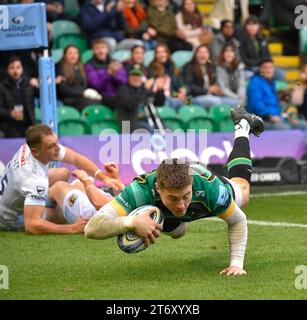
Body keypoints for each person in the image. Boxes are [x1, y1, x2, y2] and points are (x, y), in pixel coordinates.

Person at [85, 106, 265, 276]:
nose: (180, 205)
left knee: (243, 190)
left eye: (185, 196)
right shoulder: (141, 190)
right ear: (157, 188)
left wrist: (236, 264)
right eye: (173, 198)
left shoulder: (209, 187)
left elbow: (238, 220)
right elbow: (91, 228)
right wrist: (130, 222)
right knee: (178, 233)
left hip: (200, 188)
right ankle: (172, 223)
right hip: (166, 215)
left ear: (192, 185)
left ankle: (242, 126)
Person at [0, 124, 124, 234]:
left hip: (12, 194)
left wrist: (103, 177)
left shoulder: (29, 147)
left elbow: (75, 158)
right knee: (58, 211)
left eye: (56, 142)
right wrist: (71, 228)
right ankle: (52, 204)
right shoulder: (35, 180)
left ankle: (48, 199)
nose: (58, 148)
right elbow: (31, 225)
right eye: (51, 146)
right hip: (8, 220)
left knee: (63, 173)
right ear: (36, 152)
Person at [47, 165, 122, 225]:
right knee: (78, 183)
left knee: (58, 187)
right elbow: (125, 200)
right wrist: (116, 179)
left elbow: (99, 203)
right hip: (105, 203)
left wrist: (86, 180)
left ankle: (38, 206)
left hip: (88, 214)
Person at [247, 59, 307, 131]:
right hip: (262, 119)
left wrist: (289, 117)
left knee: (303, 125)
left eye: (271, 67)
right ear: (260, 70)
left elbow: (279, 106)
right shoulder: (254, 83)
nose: (268, 70)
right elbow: (256, 105)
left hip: (277, 118)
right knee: (285, 129)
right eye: (265, 67)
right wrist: (270, 117)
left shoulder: (272, 83)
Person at [182, 45, 239, 109]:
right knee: (215, 101)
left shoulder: (211, 67)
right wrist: (207, 90)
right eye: (200, 52)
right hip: (194, 97)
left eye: (205, 52)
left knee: (236, 102)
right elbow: (190, 86)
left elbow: (215, 83)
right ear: (195, 54)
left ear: (209, 55)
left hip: (212, 96)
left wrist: (218, 90)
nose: (202, 54)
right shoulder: (189, 67)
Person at [85, 39, 127, 110]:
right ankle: (126, 121)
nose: (101, 51)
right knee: (124, 104)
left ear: (107, 49)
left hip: (118, 94)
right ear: (93, 51)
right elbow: (95, 84)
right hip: (101, 96)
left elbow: (124, 82)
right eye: (97, 48)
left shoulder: (115, 62)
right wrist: (108, 73)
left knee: (129, 101)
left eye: (103, 47)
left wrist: (115, 75)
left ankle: (131, 121)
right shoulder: (89, 65)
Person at [0, 56, 37, 138]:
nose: (15, 70)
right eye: (12, 68)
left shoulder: (29, 84)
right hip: (10, 124)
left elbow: (42, 98)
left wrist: (38, 86)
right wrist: (10, 113)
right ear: (7, 70)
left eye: (18, 67)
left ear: (22, 69)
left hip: (28, 123)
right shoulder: (2, 86)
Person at [55, 45, 101, 112]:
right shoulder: (60, 67)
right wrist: (83, 92)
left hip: (82, 97)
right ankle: (84, 119)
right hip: (68, 99)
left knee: (98, 102)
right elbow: (63, 89)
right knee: (88, 103)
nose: (73, 56)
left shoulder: (81, 68)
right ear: (65, 55)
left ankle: (91, 119)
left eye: (75, 53)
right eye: (70, 53)